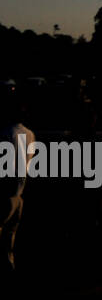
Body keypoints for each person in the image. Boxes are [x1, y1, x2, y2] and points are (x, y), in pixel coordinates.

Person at [0, 99, 35, 276]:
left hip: (6, 191)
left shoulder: (5, 133)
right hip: (20, 191)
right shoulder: (30, 134)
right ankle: (9, 266)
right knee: (10, 235)